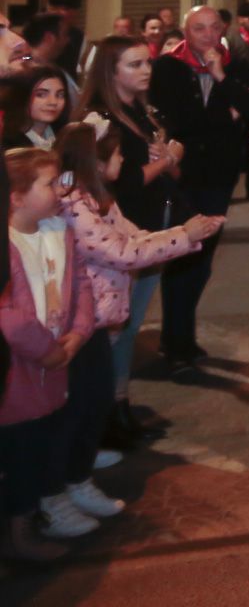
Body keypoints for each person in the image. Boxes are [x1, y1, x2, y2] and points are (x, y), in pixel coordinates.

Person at [56, 125, 217, 516]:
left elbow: (134, 237)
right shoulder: (77, 207)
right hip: (81, 321)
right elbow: (124, 252)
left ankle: (80, 465)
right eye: (117, 155)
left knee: (92, 398)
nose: (124, 160)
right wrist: (184, 234)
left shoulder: (99, 201)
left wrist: (182, 234)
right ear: (96, 163)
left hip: (95, 319)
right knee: (83, 400)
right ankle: (65, 485)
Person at [148, 5, 249, 375]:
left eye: (215, 27)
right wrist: (225, 116)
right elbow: (175, 119)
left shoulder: (237, 66)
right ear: (186, 31)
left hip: (219, 174)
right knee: (184, 254)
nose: (209, 35)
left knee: (203, 258)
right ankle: (177, 339)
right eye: (200, 29)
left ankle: (179, 335)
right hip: (181, 174)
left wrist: (221, 78)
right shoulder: (168, 67)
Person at [77, 36, 180, 443]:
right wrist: (170, 157)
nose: (145, 71)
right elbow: (124, 181)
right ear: (110, 70)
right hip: (119, 235)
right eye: (134, 64)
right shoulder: (98, 120)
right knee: (117, 326)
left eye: (147, 63)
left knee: (130, 325)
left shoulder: (140, 110)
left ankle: (118, 405)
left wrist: (168, 159)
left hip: (150, 227)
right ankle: (108, 414)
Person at [1, 147, 95, 561]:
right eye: (49, 183)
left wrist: (77, 333)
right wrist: (46, 351)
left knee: (45, 441)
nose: (61, 189)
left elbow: (81, 285)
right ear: (16, 196)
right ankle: (20, 533)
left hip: (55, 361)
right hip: (18, 370)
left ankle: (36, 514)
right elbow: (9, 315)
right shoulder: (8, 243)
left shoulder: (59, 229)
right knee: (21, 451)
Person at [3, 66, 73, 151]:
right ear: (22, 96)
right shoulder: (8, 143)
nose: (53, 102)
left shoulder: (66, 138)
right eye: (41, 95)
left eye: (60, 95)